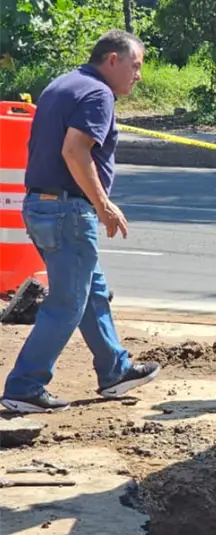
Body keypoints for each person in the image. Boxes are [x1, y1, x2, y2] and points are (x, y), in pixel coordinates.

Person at [1, 29, 161, 413]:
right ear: (112, 60)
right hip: (67, 211)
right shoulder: (98, 94)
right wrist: (103, 204)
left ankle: (115, 369)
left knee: (93, 293)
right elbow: (75, 151)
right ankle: (24, 385)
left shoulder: (62, 84)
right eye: (135, 66)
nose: (137, 76)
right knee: (68, 303)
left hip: (44, 206)